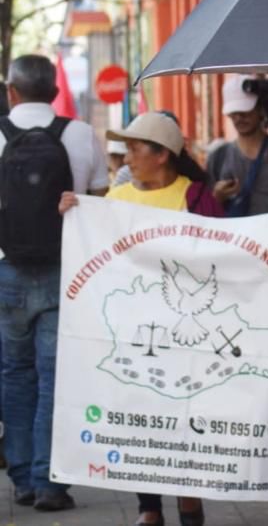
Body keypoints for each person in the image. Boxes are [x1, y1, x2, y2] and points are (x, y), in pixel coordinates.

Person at [59, 111, 220, 526]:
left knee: (185, 417)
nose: (127, 155)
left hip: (185, 333)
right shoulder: (117, 201)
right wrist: (74, 213)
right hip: (136, 331)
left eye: (134, 147)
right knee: (141, 415)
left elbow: (225, 254)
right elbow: (95, 251)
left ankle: (188, 495)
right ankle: (149, 506)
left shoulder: (196, 197)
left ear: (162, 155)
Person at [0, 55, 108, 512]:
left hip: (7, 271)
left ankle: (22, 477)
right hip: (68, 271)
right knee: (55, 378)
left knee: (14, 373)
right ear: (54, 92)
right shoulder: (79, 134)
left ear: (12, 92)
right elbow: (101, 198)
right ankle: (50, 482)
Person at [207, 74, 268, 216]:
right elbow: (204, 215)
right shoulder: (218, 158)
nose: (239, 118)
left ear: (260, 109)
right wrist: (216, 197)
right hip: (234, 236)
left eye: (245, 112)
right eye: (234, 113)